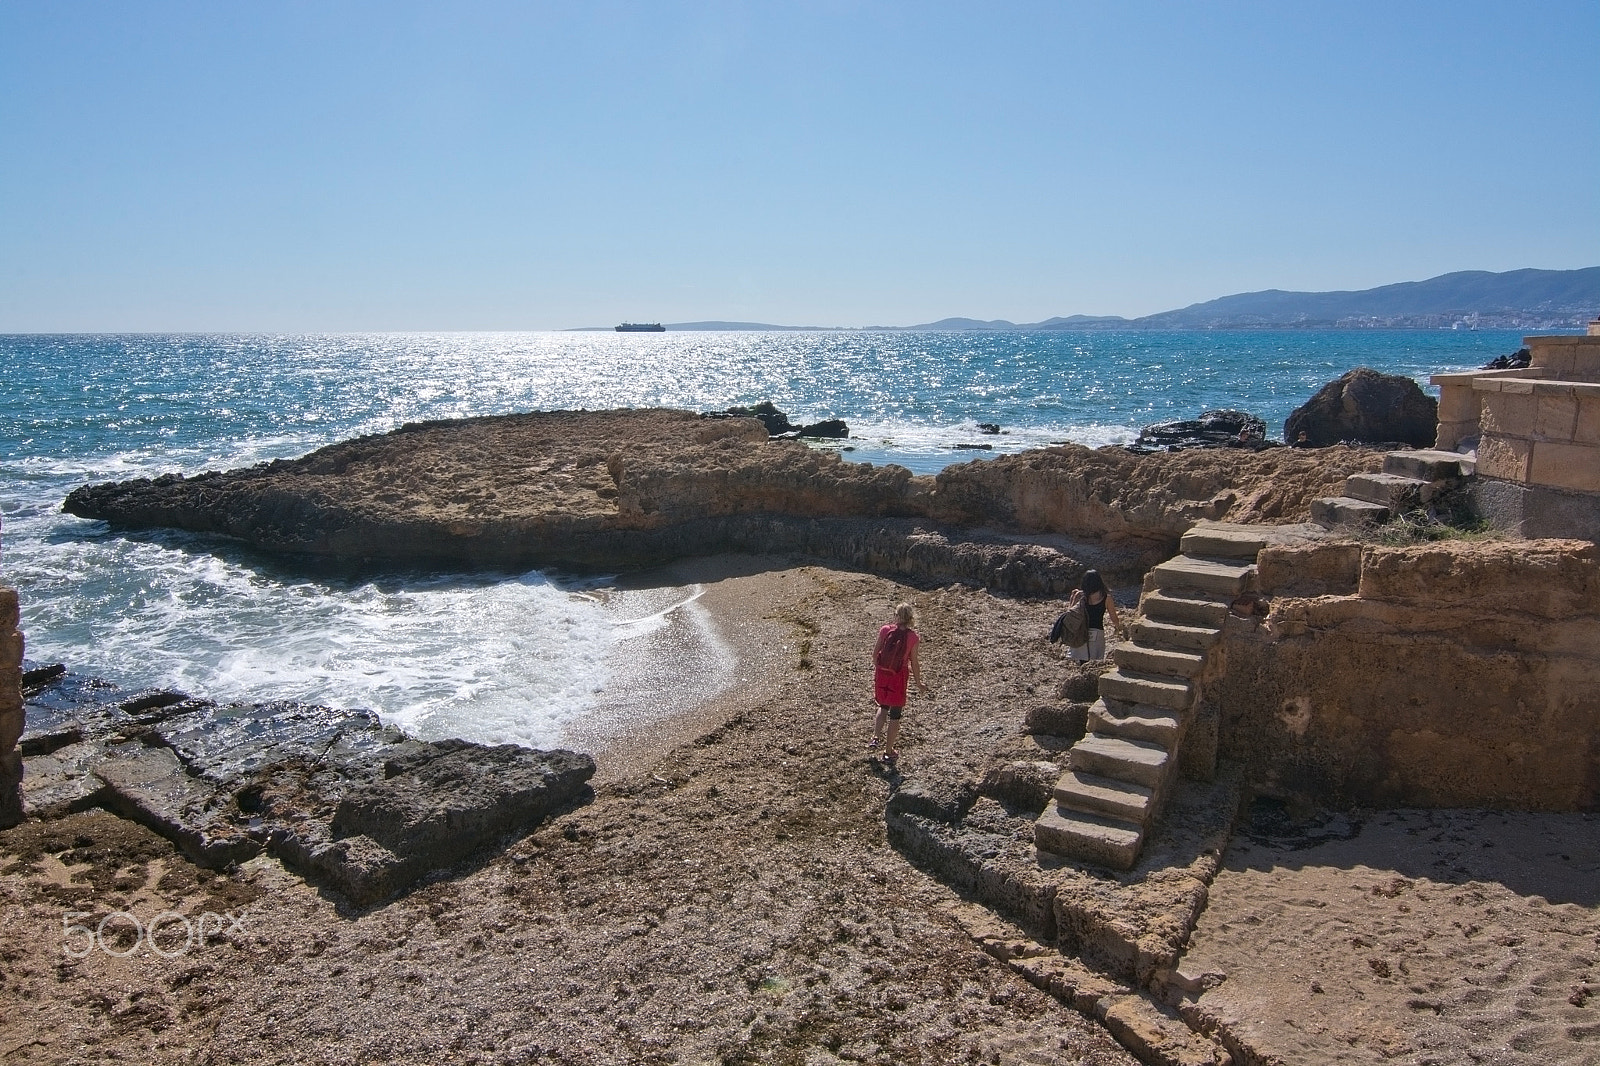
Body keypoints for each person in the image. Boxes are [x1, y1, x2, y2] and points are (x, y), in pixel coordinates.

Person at [869, 602, 929, 766]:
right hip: (898, 677)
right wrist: (918, 682)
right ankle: (888, 752)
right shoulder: (913, 637)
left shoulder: (885, 630)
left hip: (882, 674)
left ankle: (875, 737)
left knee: (882, 706)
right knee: (895, 714)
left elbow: (875, 655)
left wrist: (881, 670)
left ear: (896, 615)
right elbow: (914, 663)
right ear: (911, 618)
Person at [1066, 570, 1122, 661]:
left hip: (1081, 630)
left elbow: (1070, 613)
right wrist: (1119, 628)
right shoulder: (1106, 598)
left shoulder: (1080, 596)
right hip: (1097, 631)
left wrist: (1073, 598)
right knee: (1095, 660)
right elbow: (1114, 618)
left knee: (1081, 659)